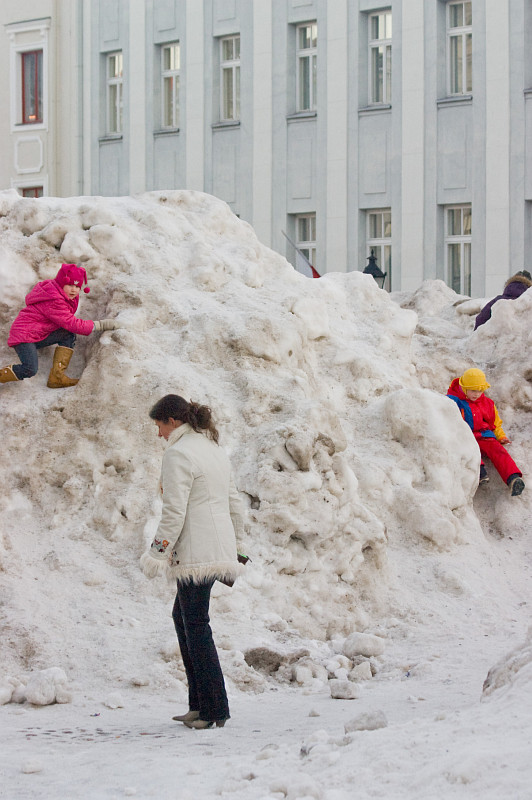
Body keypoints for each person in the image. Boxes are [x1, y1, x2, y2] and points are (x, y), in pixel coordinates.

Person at [140, 394, 246, 730]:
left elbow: (174, 511)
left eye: (159, 425)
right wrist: (237, 547)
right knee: (185, 618)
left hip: (195, 553)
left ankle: (213, 709)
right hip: (216, 548)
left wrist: (156, 553)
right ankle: (200, 705)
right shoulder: (212, 448)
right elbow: (234, 503)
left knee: (195, 625)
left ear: (172, 421)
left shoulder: (179, 453)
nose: (158, 433)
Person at [0, 263, 119, 388]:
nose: (74, 289)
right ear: (61, 283)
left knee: (67, 334)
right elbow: (71, 323)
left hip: (36, 334)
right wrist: (100, 325)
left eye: (77, 286)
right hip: (24, 336)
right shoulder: (54, 299)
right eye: (70, 285)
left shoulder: (62, 293)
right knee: (29, 369)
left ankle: (57, 378)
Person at [447, 368, 525, 496]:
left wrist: (501, 436)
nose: (477, 394)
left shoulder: (487, 403)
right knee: (469, 449)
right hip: (466, 436)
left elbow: (495, 423)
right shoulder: (453, 401)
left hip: (484, 437)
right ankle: (480, 472)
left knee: (498, 450)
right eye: (473, 390)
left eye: (480, 390)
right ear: (463, 387)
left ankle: (513, 478)